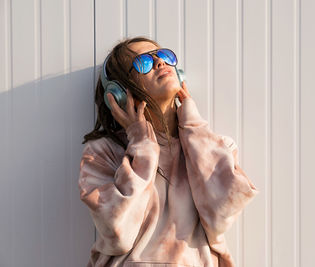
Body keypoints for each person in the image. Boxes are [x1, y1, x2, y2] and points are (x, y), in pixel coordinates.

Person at [78, 36, 259, 267]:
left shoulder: (215, 146)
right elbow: (118, 232)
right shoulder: (104, 153)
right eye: (143, 62)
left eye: (163, 56)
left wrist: (193, 126)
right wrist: (141, 143)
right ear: (119, 92)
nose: (159, 63)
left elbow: (220, 217)